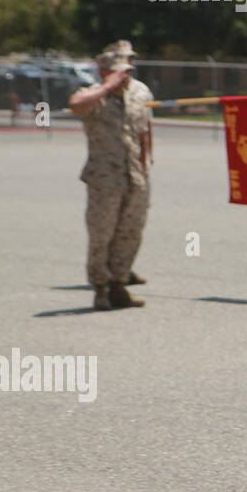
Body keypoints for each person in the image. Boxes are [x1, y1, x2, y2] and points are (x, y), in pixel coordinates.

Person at [67, 40, 154, 310]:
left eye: (127, 71)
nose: (124, 75)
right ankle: (100, 288)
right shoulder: (94, 95)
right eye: (118, 71)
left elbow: (143, 131)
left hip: (134, 176)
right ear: (104, 72)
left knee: (130, 233)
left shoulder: (138, 94)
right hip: (104, 179)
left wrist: (146, 162)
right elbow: (76, 105)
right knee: (101, 234)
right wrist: (106, 87)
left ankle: (119, 285)